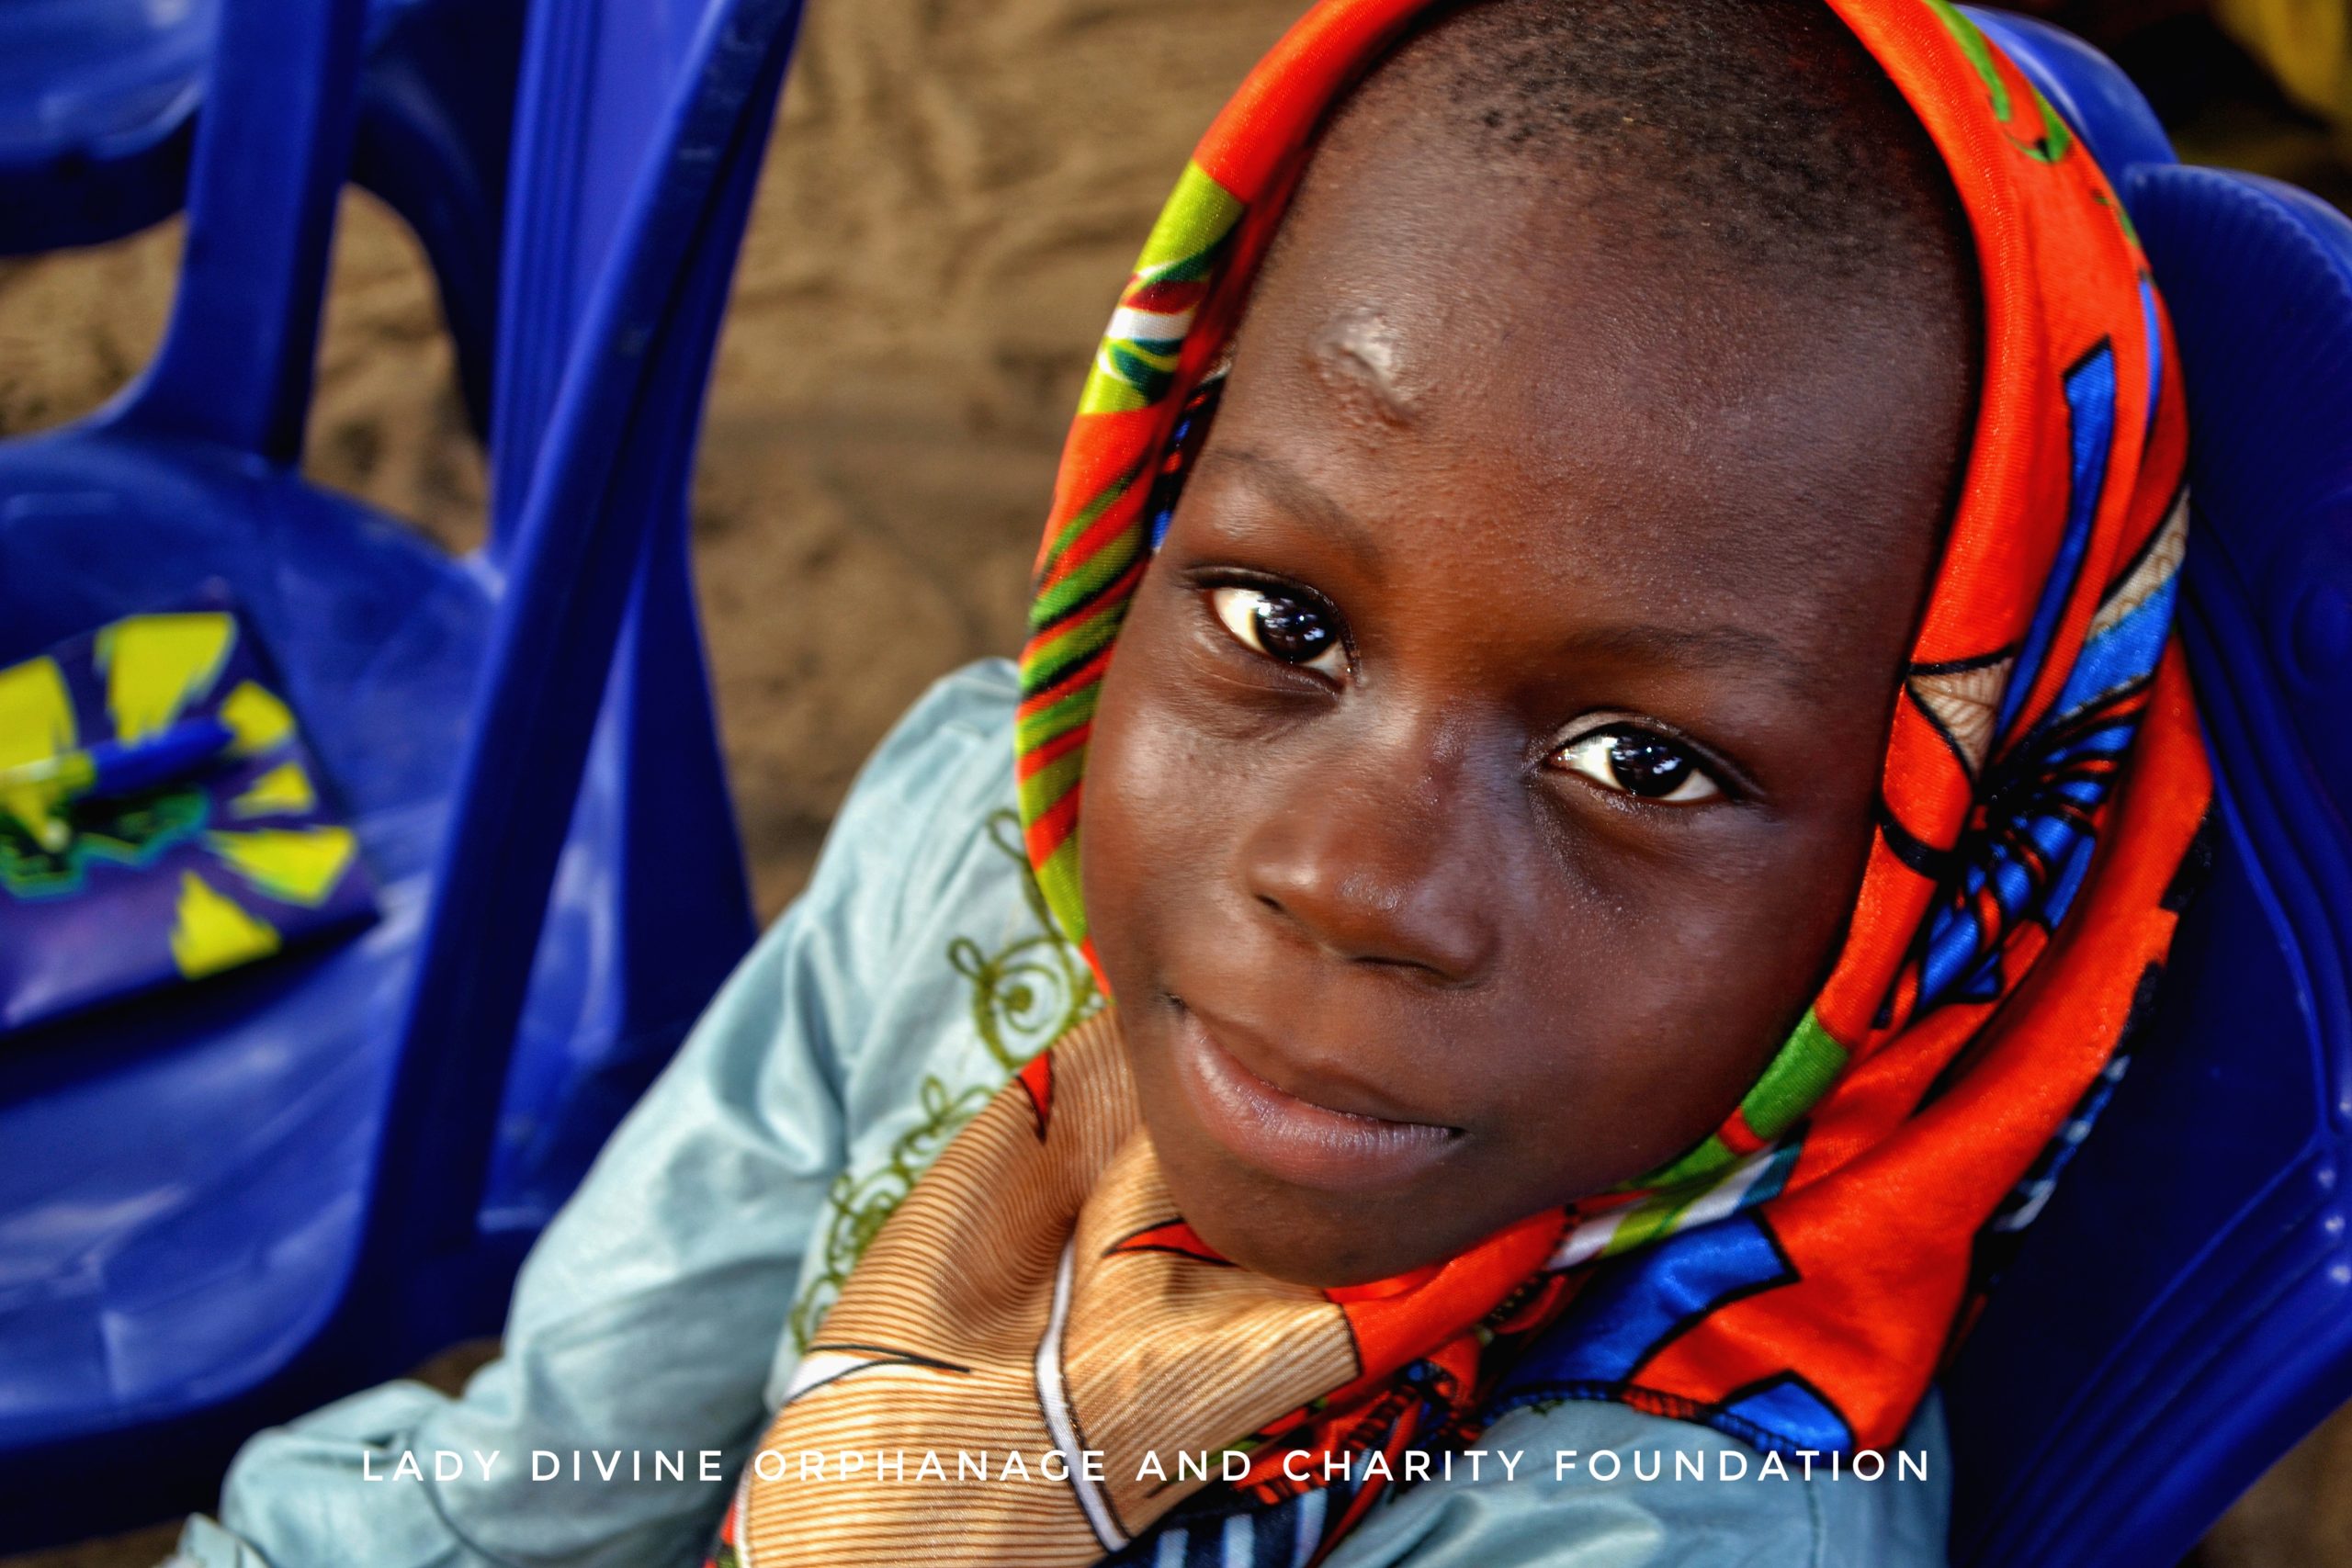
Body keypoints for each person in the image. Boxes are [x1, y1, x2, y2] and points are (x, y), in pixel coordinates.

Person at [167, 0, 2210, 1563]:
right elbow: (549, 1470)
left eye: (1637, 761)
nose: (1350, 874)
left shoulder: (1655, 1518)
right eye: (1278, 619)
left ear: (1940, 890)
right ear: (1139, 513)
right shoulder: (974, 854)